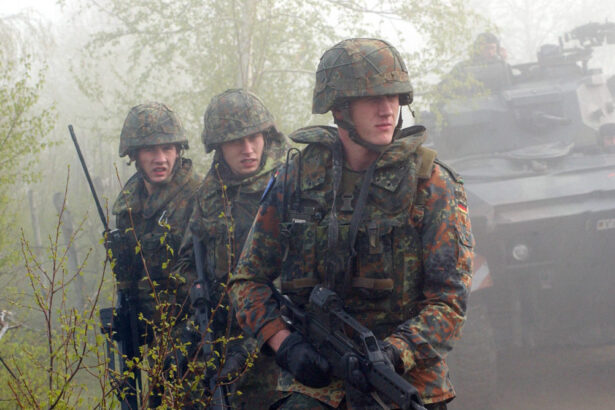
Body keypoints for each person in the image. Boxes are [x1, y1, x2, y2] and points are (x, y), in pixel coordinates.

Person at [228, 38, 474, 409]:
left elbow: (449, 303)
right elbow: (247, 280)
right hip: (315, 385)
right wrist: (284, 343)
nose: (387, 109)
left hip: (403, 382)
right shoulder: (296, 180)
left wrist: (393, 354)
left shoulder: (432, 184)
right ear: (340, 108)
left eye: (393, 96)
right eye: (371, 98)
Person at [176, 89, 289, 408]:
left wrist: (258, 335)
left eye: (254, 138)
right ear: (219, 147)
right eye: (236, 141)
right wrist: (201, 297)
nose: (248, 149)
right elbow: (186, 261)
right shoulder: (208, 195)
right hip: (219, 337)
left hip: (277, 340)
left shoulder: (287, 186)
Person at [111, 101, 201, 405]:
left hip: (196, 338)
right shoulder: (128, 207)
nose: (160, 158)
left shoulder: (200, 197)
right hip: (150, 338)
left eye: (168, 148)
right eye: (150, 150)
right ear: (134, 155)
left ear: (178, 150)